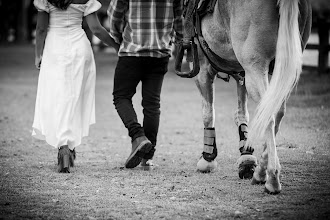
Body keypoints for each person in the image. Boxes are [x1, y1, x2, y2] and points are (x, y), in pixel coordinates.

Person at [32, 0, 119, 173]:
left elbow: (41, 29)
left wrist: (37, 54)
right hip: (79, 47)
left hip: (55, 48)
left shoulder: (46, 0)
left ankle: (63, 145)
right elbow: (96, 29)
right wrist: (117, 46)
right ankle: (68, 145)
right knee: (74, 97)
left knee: (59, 96)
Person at [107, 0, 183, 169]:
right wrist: (175, 41)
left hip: (131, 52)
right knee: (152, 104)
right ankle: (147, 157)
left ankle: (138, 136)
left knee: (121, 97)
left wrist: (119, 38)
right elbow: (180, 20)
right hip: (160, 54)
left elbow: (115, 16)